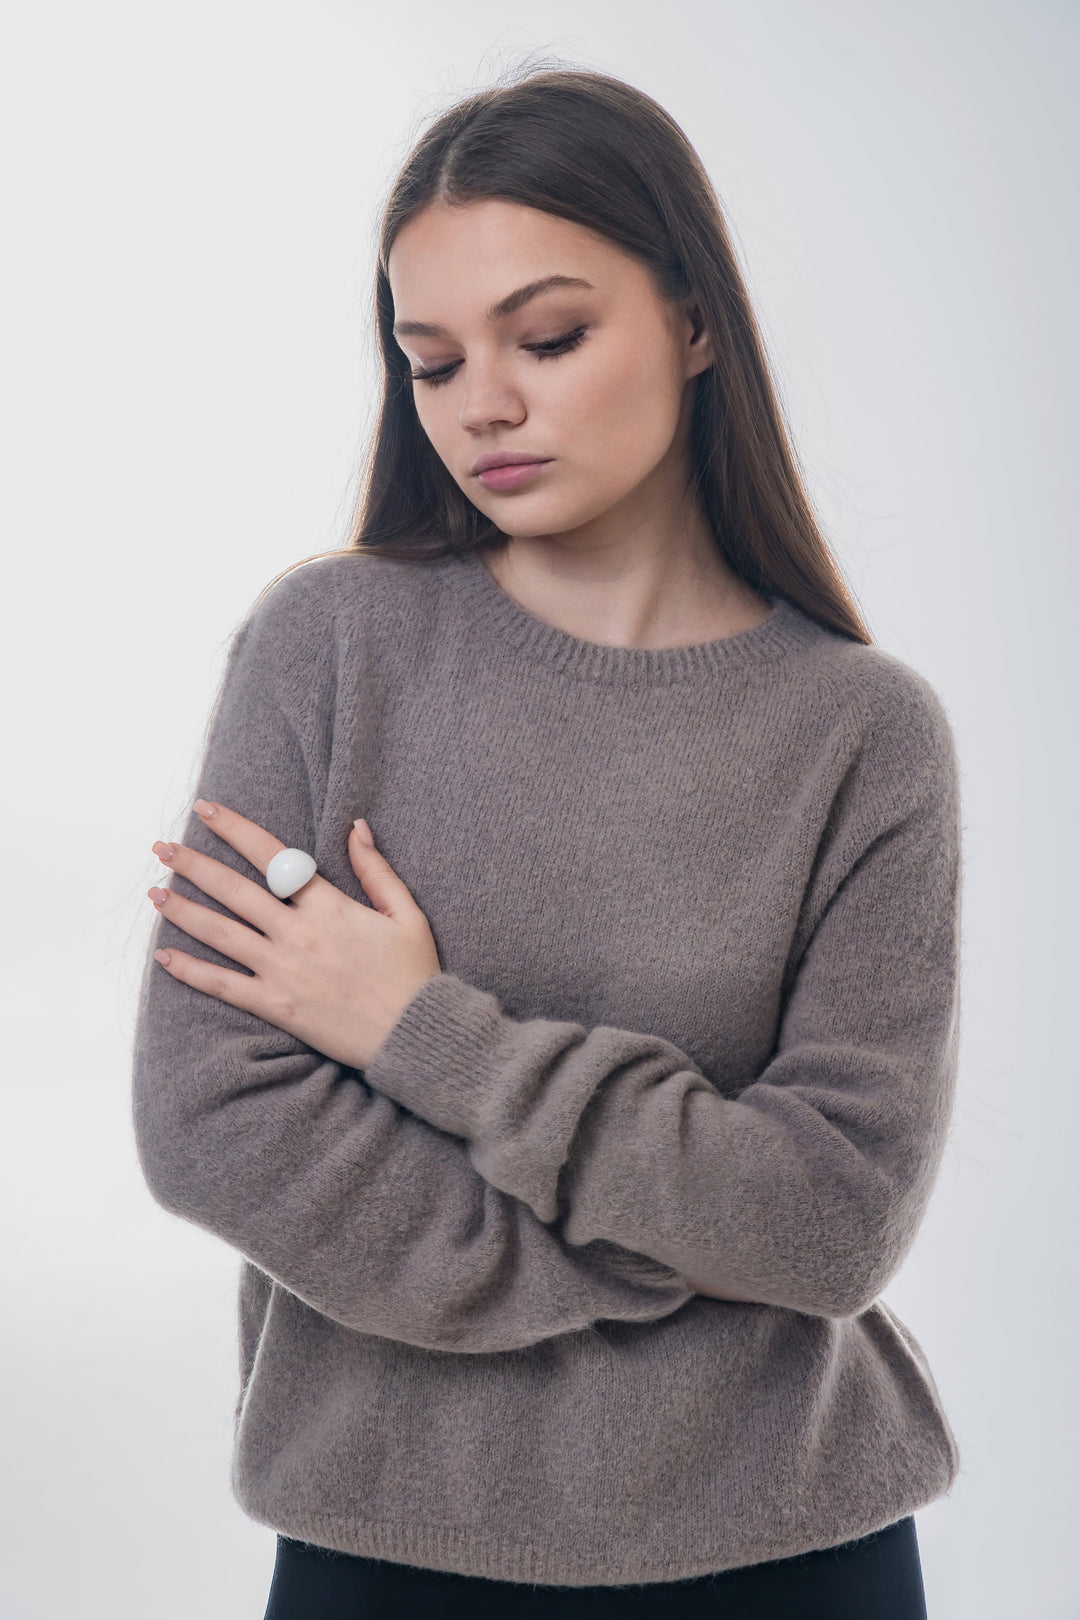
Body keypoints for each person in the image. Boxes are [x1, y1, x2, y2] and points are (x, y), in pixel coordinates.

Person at [131, 65, 962, 1618]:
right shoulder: (328, 645)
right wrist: (675, 1249)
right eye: (431, 362)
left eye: (550, 336)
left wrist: (415, 1032)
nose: (482, 405)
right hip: (389, 1547)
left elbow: (835, 1219)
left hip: (795, 1552)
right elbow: (211, 1123)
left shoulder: (863, 734)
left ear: (697, 322)